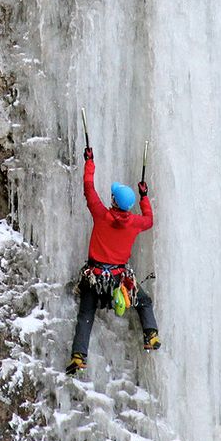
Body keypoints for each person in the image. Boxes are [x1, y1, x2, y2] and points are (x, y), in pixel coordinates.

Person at [66, 145, 161, 376]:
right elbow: (149, 220)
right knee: (144, 301)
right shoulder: (135, 222)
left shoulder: (101, 214)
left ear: (113, 201)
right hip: (119, 281)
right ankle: (151, 334)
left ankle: (79, 357)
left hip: (94, 278)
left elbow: (88, 188)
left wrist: (90, 161)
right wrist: (144, 196)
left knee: (86, 314)